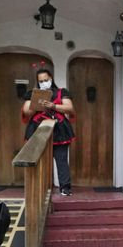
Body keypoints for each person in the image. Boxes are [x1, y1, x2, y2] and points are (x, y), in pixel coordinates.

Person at [22, 68, 75, 196]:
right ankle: (40, 187)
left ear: (51, 78)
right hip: (37, 130)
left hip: (59, 130)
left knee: (61, 159)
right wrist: (37, 104)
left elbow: (70, 108)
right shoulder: (32, 93)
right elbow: (26, 111)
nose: (44, 83)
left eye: (46, 80)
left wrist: (53, 106)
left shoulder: (61, 92)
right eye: (41, 81)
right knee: (39, 160)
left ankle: (65, 187)